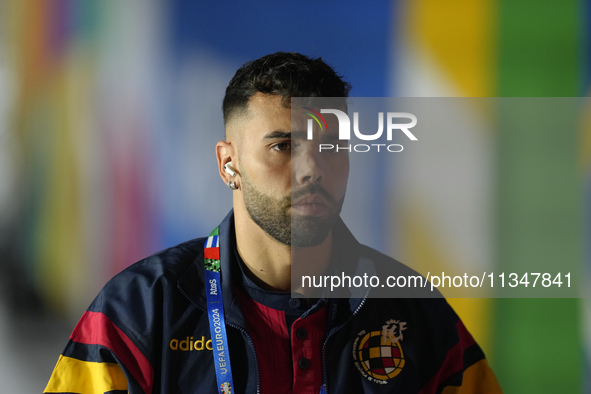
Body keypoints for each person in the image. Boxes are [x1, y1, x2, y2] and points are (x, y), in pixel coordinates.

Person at [44, 52, 502, 394]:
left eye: (330, 145)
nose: (311, 169)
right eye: (283, 146)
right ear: (229, 165)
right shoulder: (139, 312)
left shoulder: (410, 310)